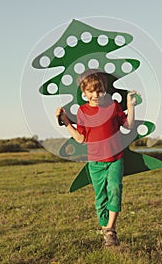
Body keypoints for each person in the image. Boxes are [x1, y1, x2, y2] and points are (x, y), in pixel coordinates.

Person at [55, 69, 138, 246]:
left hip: (115, 159)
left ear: (104, 91)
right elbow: (80, 138)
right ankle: (106, 233)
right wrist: (66, 122)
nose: (96, 95)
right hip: (95, 163)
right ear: (84, 93)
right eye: (91, 91)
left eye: (99, 90)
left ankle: (111, 229)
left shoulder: (113, 106)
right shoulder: (83, 112)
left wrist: (130, 106)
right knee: (100, 199)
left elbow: (128, 126)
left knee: (115, 189)